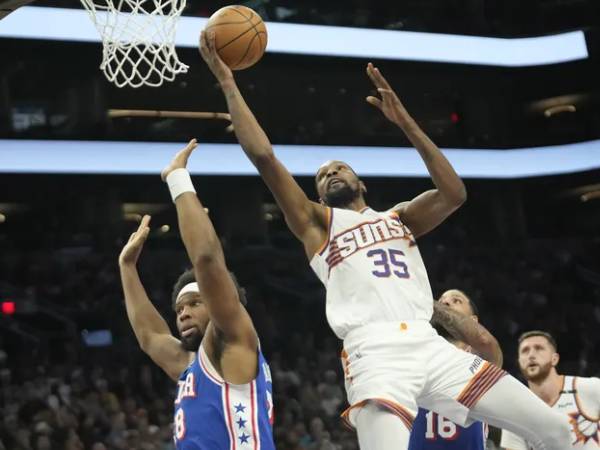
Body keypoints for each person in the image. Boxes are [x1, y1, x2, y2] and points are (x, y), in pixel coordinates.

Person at [199, 30, 570, 450]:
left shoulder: (401, 218)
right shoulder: (317, 224)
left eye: (340, 167)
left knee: (555, 430)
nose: (332, 173)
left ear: (361, 182)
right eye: (322, 176)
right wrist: (228, 82)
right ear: (319, 194)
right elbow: (264, 156)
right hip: (376, 352)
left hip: (431, 345)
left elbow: (454, 193)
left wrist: (406, 123)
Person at [118, 140, 275, 450]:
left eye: (194, 303)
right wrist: (126, 267)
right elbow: (150, 336)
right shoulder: (192, 364)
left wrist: (178, 178)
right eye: (178, 309)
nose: (183, 313)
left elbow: (206, 259)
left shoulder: (233, 340)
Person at [409, 289, 503, 449]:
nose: (445, 303)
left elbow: (486, 342)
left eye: (456, 300)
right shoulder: (414, 354)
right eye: (442, 300)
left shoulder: (482, 361)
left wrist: (423, 299)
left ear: (473, 321)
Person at [501, 331, 600, 449]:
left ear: (555, 359)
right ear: (519, 362)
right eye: (525, 351)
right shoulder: (515, 413)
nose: (531, 355)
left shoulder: (590, 387)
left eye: (539, 348)